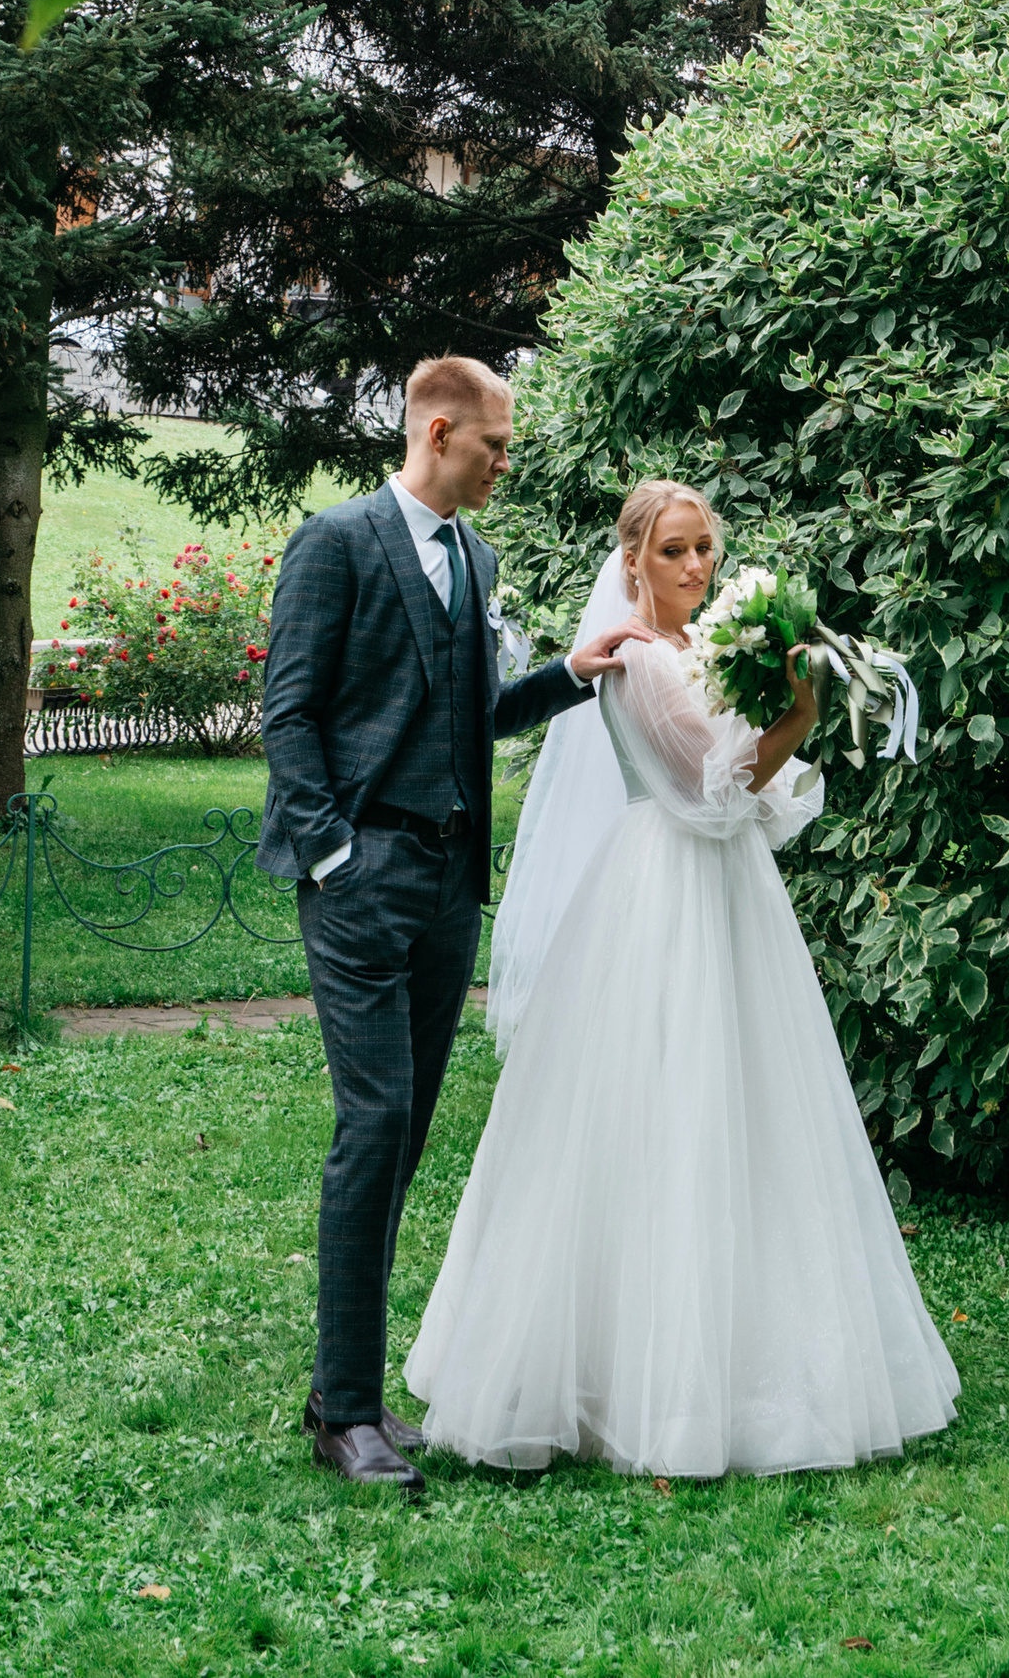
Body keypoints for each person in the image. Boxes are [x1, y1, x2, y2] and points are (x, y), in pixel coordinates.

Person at [402, 479, 960, 1480]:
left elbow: (753, 800)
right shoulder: (646, 663)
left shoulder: (698, 651)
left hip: (724, 888)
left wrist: (778, 713)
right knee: (666, 1111)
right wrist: (798, 709)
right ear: (631, 562)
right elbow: (718, 785)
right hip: (667, 890)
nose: (694, 567)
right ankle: (638, 1374)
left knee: (746, 1108)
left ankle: (752, 1347)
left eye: (704, 548)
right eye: (672, 551)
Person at [257, 353, 652, 1495]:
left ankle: (350, 1394)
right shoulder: (336, 542)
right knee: (374, 1126)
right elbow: (287, 712)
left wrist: (573, 674)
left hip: (446, 889)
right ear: (438, 431)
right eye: (493, 446)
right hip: (360, 879)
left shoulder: (472, 557)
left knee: (408, 1133)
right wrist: (333, 851)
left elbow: (475, 708)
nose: (502, 465)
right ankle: (342, 1413)